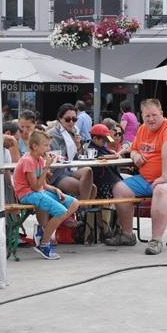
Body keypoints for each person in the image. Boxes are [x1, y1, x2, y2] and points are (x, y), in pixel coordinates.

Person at [106, 99, 167, 255]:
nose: (151, 119)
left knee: (161, 190)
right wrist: (136, 156)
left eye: (154, 115)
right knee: (119, 188)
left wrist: (164, 177)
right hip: (147, 179)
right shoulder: (142, 129)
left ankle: (156, 240)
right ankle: (127, 235)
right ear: (142, 116)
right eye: (147, 116)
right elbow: (133, 149)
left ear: (161, 113)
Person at [13, 130, 79, 260]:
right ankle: (44, 243)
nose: (48, 148)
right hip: (26, 194)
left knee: (74, 203)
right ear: (35, 146)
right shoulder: (28, 160)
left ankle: (44, 230)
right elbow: (35, 187)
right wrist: (46, 168)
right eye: (45, 145)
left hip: (38, 192)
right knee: (61, 212)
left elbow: (43, 185)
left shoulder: (39, 159)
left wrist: (56, 190)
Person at [47, 103, 96, 199]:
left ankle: (82, 207)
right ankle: (82, 207)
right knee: (91, 189)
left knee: (88, 171)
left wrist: (78, 146)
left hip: (70, 169)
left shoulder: (75, 132)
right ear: (60, 119)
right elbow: (53, 156)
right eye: (68, 119)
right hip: (56, 172)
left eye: (74, 119)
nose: (71, 122)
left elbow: (79, 158)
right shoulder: (52, 134)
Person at [89, 124, 122, 198]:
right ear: (95, 139)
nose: (105, 142)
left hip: (112, 177)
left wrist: (111, 153)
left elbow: (106, 153)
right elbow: (99, 157)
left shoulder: (102, 147)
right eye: (104, 140)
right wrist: (114, 156)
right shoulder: (91, 148)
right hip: (101, 180)